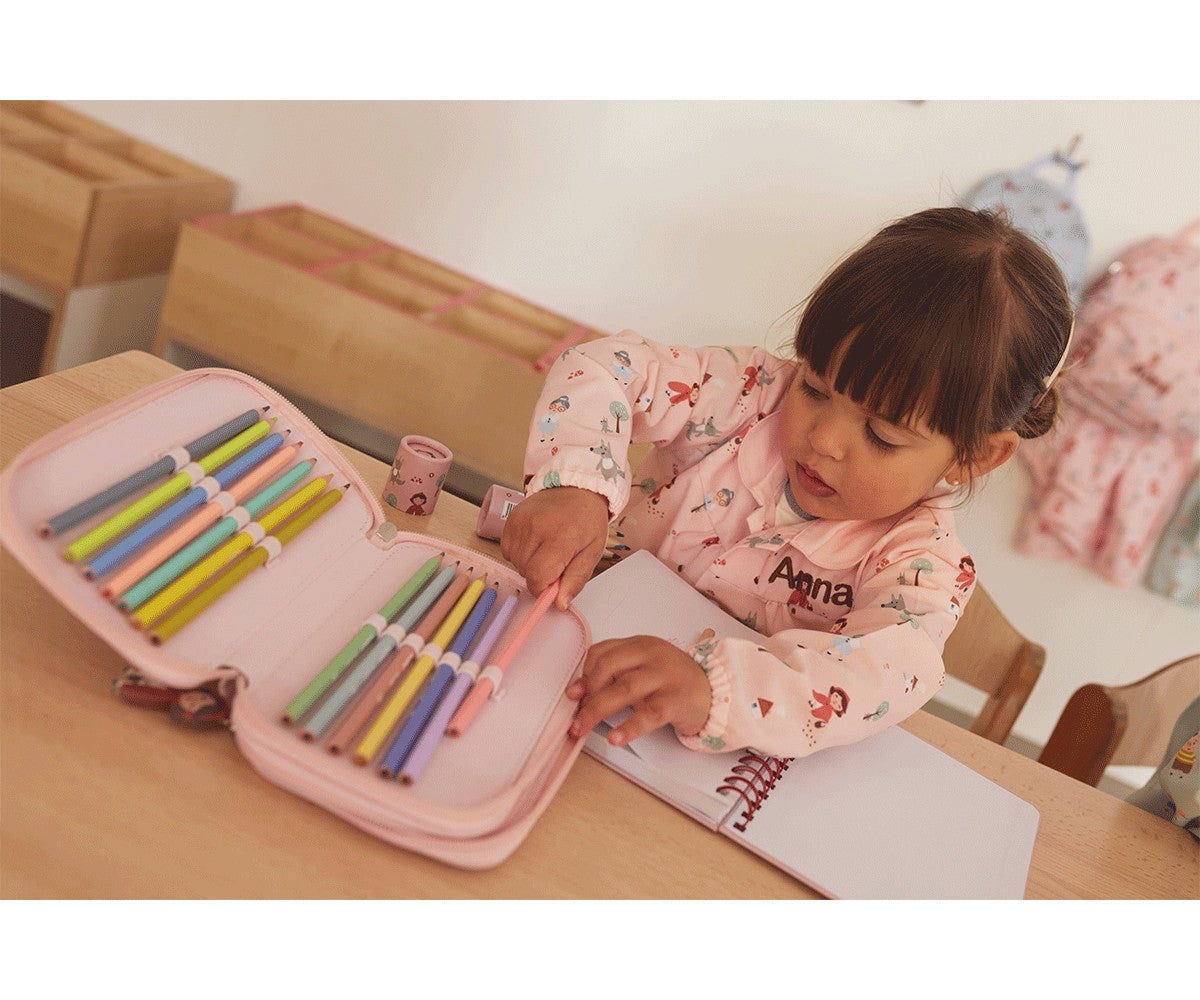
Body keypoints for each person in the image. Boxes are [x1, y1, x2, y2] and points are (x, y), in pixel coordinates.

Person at [502, 207, 1073, 758]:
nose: (824, 440)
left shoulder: (920, 565)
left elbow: (886, 672)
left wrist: (712, 686)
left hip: (674, 753)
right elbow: (604, 368)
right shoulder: (746, 394)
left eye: (882, 435)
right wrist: (575, 485)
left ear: (975, 456)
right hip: (548, 650)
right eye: (815, 388)